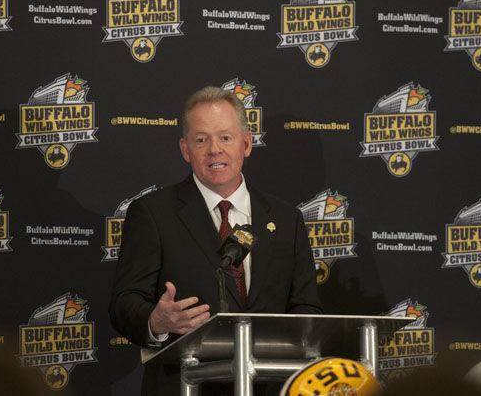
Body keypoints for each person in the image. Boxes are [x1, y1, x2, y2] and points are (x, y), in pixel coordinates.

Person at [109, 86, 322, 395]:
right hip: (184, 385)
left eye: (225, 137)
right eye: (201, 139)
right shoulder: (153, 213)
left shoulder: (287, 219)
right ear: (185, 149)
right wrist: (156, 321)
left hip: (268, 386)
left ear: (246, 143)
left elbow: (306, 309)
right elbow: (123, 303)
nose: (214, 150)